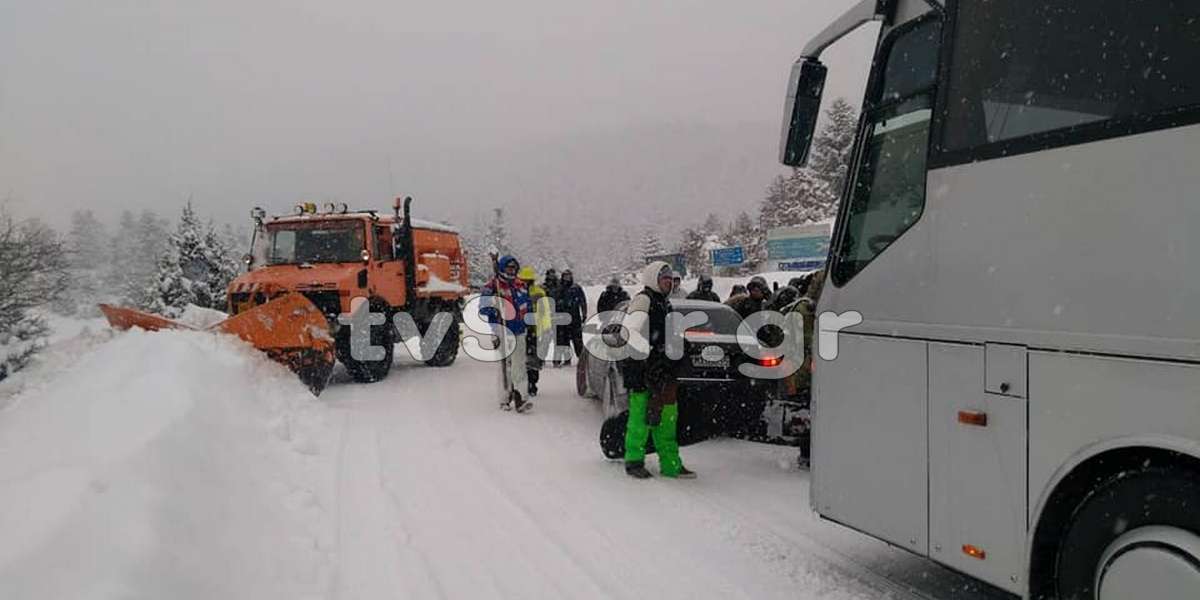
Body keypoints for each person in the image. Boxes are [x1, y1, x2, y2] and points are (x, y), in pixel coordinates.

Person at [621, 261, 696, 479]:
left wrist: (681, 344)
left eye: (671, 280)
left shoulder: (666, 304)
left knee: (667, 421)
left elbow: (668, 332)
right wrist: (648, 357)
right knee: (641, 419)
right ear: (653, 279)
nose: (669, 283)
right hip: (644, 372)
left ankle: (671, 465)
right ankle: (634, 461)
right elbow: (631, 332)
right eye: (664, 279)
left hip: (664, 372)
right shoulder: (643, 299)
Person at [479, 255, 533, 412]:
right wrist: (496, 308)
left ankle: (521, 397)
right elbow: (483, 307)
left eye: (514, 268)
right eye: (509, 268)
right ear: (502, 268)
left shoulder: (521, 285)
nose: (512, 271)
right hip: (501, 330)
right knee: (504, 365)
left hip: (519, 329)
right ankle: (504, 397)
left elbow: (527, 306)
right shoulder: (492, 286)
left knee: (519, 365)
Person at [518, 266, 551, 397]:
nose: (525, 283)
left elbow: (545, 312)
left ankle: (531, 384)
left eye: (527, 281)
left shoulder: (539, 293)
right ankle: (521, 384)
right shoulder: (517, 292)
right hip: (520, 329)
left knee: (532, 360)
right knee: (519, 359)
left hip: (534, 329)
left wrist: (546, 328)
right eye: (523, 281)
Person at [554, 269, 587, 366]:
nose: (567, 278)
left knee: (577, 340)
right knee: (563, 340)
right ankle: (566, 359)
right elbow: (554, 301)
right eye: (565, 276)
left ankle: (582, 360)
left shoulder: (576, 288)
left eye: (569, 276)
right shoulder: (559, 288)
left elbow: (583, 301)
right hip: (561, 317)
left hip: (574, 317)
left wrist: (584, 314)